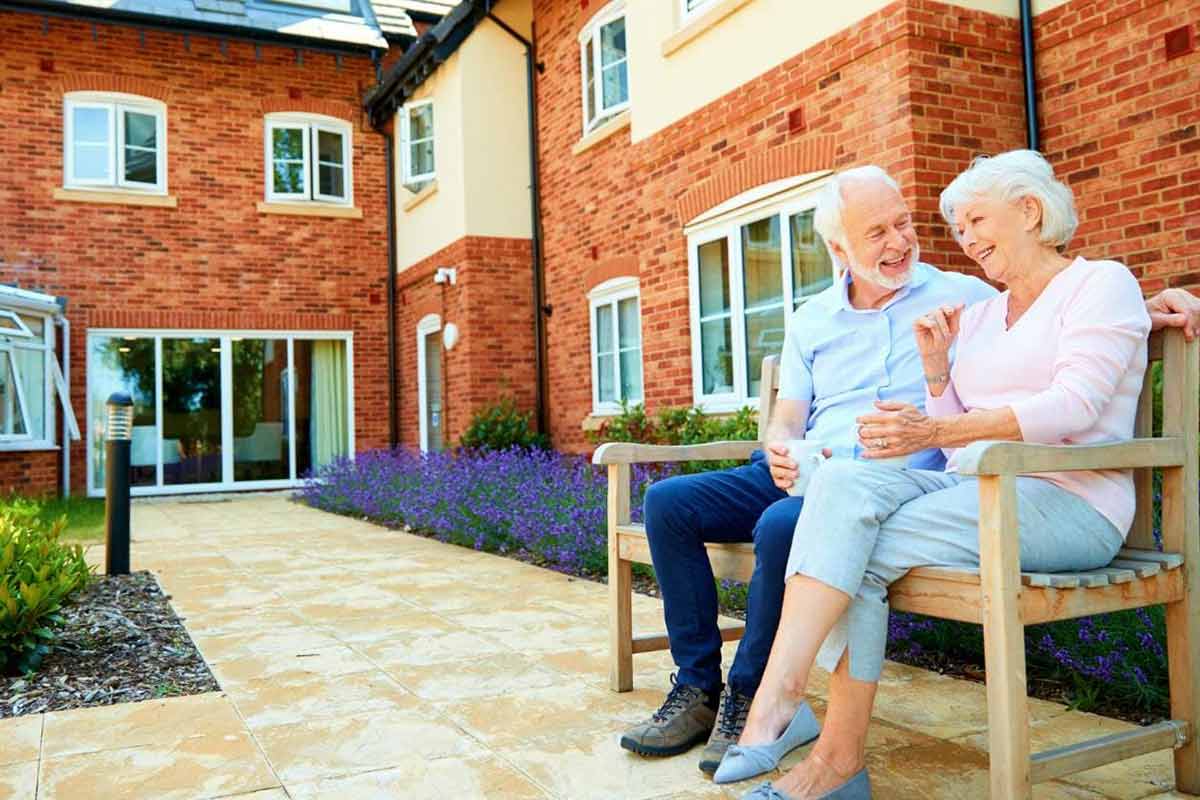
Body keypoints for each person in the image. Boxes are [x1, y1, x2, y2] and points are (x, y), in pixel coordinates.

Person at [618, 161, 1200, 776]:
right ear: (840, 248)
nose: (913, 242)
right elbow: (827, 416)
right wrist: (919, 381)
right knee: (684, 503)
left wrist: (1150, 303)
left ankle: (767, 704)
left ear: (1027, 211)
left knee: (812, 529)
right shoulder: (934, 313)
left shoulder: (987, 291)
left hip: (1021, 492)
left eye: (913, 224)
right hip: (865, 476)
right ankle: (730, 700)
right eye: (880, 233)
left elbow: (1073, 344)